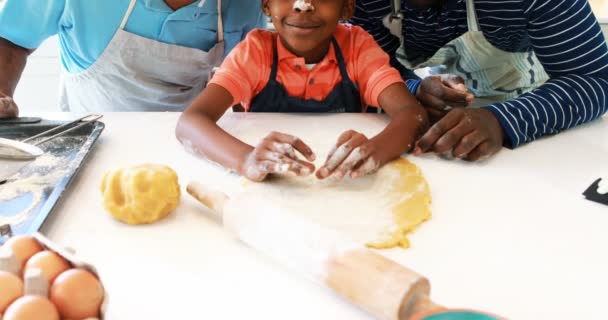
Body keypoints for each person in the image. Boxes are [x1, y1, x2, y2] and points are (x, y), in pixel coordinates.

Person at [175, 0, 429, 182]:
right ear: (266, 5)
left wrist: (375, 150)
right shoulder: (255, 52)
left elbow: (412, 113)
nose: (303, 5)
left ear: (347, 7)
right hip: (272, 188)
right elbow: (191, 122)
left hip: (343, 186)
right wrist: (247, 159)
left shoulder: (357, 48)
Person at [351, 0, 608, 160]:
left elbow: (596, 80)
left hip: (543, 109)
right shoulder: (364, 3)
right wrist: (416, 90)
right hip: (443, 115)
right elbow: (372, 68)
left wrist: (502, 119)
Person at [0, 0, 265, 117]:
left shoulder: (244, 4)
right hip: (91, 139)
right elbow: (10, 40)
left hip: (189, 143)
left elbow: (245, 76)